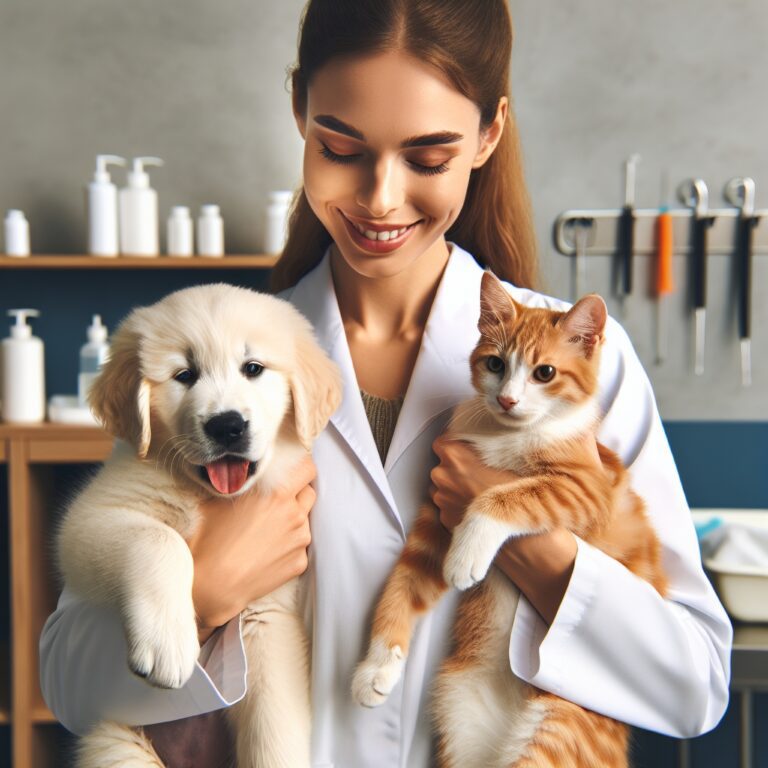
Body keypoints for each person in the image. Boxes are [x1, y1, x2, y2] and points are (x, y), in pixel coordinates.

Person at [40, 1, 732, 766]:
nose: (379, 198)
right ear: (299, 109)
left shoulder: (580, 368)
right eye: (340, 146)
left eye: (429, 159)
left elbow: (693, 680)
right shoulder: (228, 364)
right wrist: (205, 594)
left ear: (488, 134)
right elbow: (70, 681)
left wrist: (534, 548)